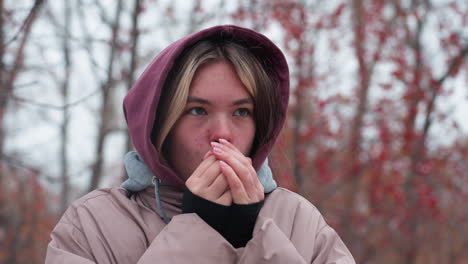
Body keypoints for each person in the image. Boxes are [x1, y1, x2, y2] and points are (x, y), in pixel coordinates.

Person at [45, 25, 355, 263]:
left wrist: (253, 239)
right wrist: (198, 232)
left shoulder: (300, 220)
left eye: (241, 112)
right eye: (197, 110)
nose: (222, 133)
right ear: (160, 124)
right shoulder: (92, 223)